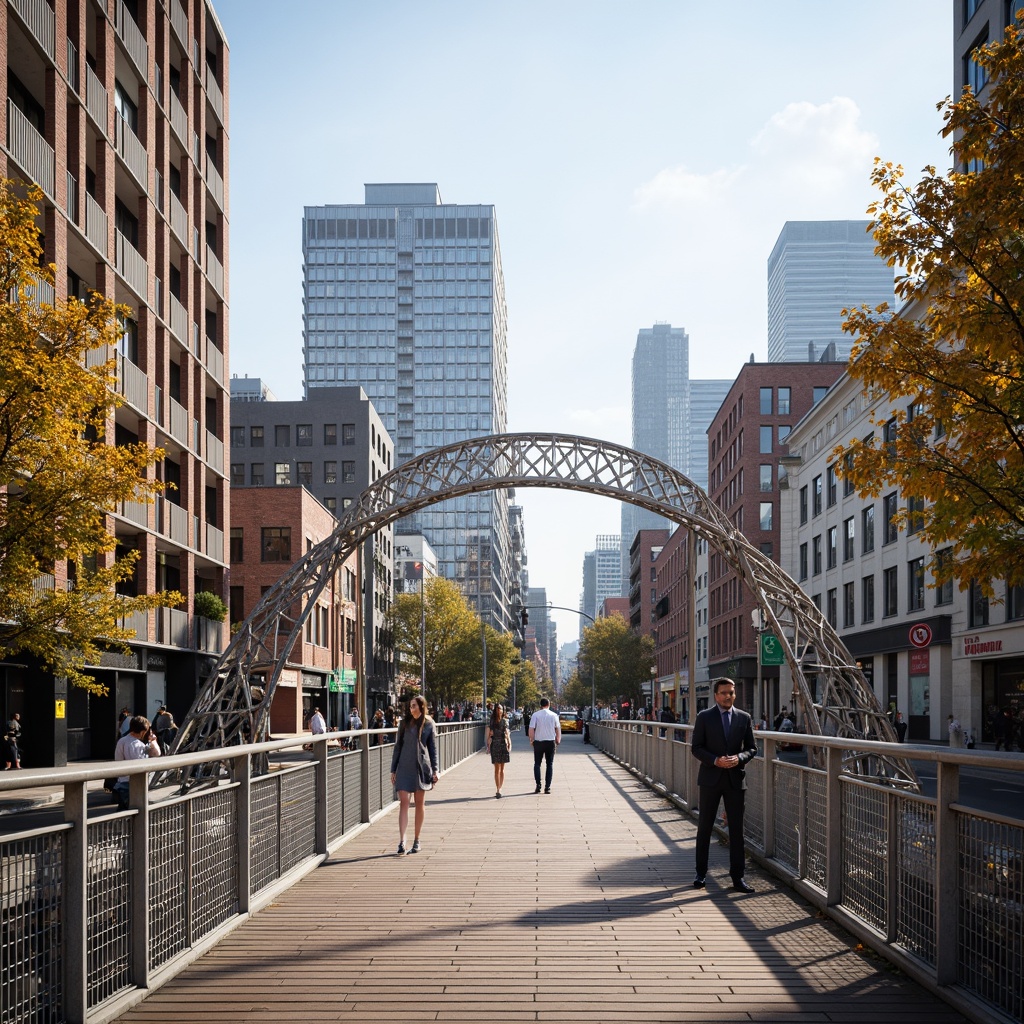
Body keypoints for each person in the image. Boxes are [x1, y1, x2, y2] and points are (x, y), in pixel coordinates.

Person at [691, 678, 758, 893]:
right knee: (705, 828)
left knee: (737, 830)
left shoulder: (744, 718)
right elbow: (696, 747)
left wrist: (739, 758)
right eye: (724, 693)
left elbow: (752, 748)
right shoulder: (704, 717)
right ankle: (701, 874)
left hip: (735, 780)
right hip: (710, 779)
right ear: (716, 695)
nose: (728, 696)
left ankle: (738, 878)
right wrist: (714, 760)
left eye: (731, 692)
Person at [389, 695, 439, 854]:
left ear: (421, 707)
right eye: (410, 706)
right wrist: (393, 769)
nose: (411, 709)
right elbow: (398, 747)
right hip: (404, 766)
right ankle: (402, 841)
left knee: (419, 803)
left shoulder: (429, 725)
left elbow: (432, 749)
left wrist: (436, 769)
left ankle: (417, 840)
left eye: (414, 706)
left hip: (420, 767)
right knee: (403, 802)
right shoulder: (404, 724)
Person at [113, 716, 161, 809]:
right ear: (143, 731)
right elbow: (156, 754)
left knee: (124, 811)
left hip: (122, 782)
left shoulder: (122, 741)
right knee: (136, 811)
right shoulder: (137, 744)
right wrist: (153, 741)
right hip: (134, 784)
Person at [528, 697, 561, 794]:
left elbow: (531, 729)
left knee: (537, 764)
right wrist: (558, 740)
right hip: (550, 742)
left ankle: (538, 785)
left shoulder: (535, 715)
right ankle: (547, 787)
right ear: (549, 704)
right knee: (549, 764)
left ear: (540, 705)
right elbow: (558, 729)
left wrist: (532, 740)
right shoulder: (554, 715)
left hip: (538, 741)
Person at [487, 703, 512, 798]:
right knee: (496, 769)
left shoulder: (505, 721)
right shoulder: (492, 721)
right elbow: (490, 733)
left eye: (500, 709)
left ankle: (500, 787)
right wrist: (488, 744)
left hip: (503, 744)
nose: (499, 710)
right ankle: (498, 789)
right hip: (495, 744)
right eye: (497, 709)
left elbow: (507, 733)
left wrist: (509, 743)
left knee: (502, 769)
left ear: (503, 710)